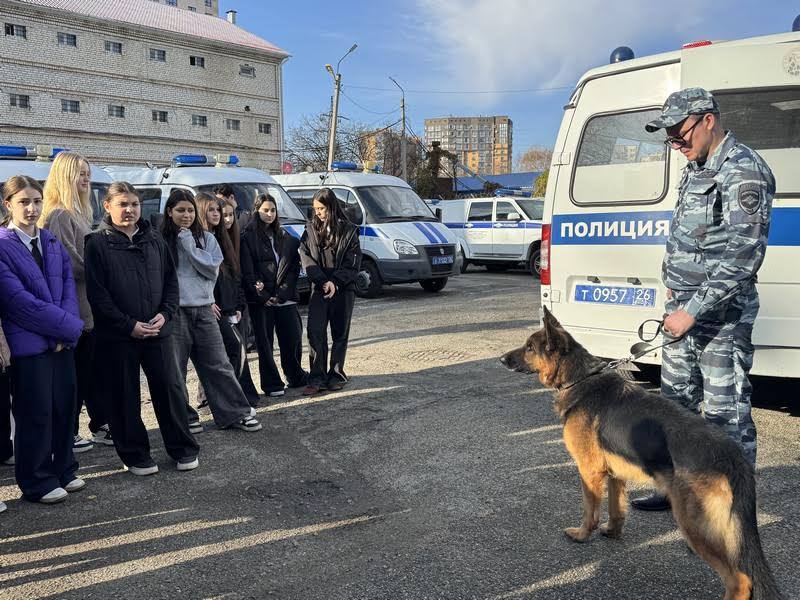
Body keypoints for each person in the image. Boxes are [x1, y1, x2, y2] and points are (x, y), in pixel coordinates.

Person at [632, 88, 775, 512]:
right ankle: (677, 489)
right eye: (670, 138)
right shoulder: (695, 166)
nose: (676, 145)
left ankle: (735, 504)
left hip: (720, 319)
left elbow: (743, 257)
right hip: (681, 313)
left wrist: (691, 312)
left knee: (725, 414)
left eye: (680, 134)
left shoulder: (744, 171)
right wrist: (676, 295)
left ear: (708, 120)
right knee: (676, 406)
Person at [85, 182, 199, 476]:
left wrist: (166, 313)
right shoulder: (97, 243)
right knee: (124, 395)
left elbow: (171, 282)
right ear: (107, 207)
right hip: (120, 336)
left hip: (157, 330)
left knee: (170, 388)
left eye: (134, 204)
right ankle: (136, 455)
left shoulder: (154, 238)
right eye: (122, 204)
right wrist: (128, 325)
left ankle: (182, 448)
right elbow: (98, 296)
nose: (129, 210)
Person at [0, 176, 84, 503]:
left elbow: (67, 291)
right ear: (8, 205)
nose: (32, 209)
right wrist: (68, 329)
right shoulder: (3, 246)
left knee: (64, 406)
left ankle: (64, 468)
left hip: (60, 342)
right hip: (29, 346)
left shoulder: (50, 241)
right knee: (35, 412)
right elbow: (18, 303)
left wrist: (65, 328)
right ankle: (36, 480)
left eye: (36, 201)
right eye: (23, 202)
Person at [160, 189, 261, 433]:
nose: (186, 215)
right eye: (181, 210)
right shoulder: (161, 240)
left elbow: (211, 269)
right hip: (177, 312)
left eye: (190, 210)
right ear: (169, 212)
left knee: (219, 363)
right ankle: (186, 416)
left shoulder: (207, 238)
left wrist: (189, 245)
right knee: (176, 368)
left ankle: (235, 412)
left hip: (204, 310)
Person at [41, 151, 111, 453]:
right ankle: (66, 433)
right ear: (65, 177)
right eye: (80, 173)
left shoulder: (80, 214)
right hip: (75, 312)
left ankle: (98, 425)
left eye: (87, 173)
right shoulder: (59, 215)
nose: (86, 179)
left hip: (89, 310)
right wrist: (106, 268)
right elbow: (67, 263)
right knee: (73, 380)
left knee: (91, 374)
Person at [195, 192, 260, 407]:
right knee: (226, 353)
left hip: (230, 306)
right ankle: (223, 401)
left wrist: (238, 304)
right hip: (211, 308)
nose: (218, 215)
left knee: (234, 351)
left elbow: (233, 275)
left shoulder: (222, 237)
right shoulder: (198, 239)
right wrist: (208, 301)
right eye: (211, 210)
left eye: (219, 210)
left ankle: (231, 399)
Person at [241, 193, 307, 397]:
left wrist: (282, 292)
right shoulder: (247, 237)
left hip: (285, 298)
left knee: (293, 337)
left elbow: (293, 268)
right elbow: (248, 270)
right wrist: (263, 296)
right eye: (265, 210)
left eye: (273, 210)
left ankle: (295, 375)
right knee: (265, 343)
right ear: (256, 211)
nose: (270, 214)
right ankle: (271, 384)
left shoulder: (285, 236)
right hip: (262, 301)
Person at [298, 188, 361, 396]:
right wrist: (323, 281)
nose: (318, 213)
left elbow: (353, 264)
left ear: (331, 207)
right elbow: (305, 257)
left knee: (339, 333)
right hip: (319, 287)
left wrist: (335, 282)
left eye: (322, 208)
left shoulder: (350, 230)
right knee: (315, 331)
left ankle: (336, 374)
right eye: (315, 209)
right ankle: (317, 377)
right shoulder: (309, 230)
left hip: (343, 289)